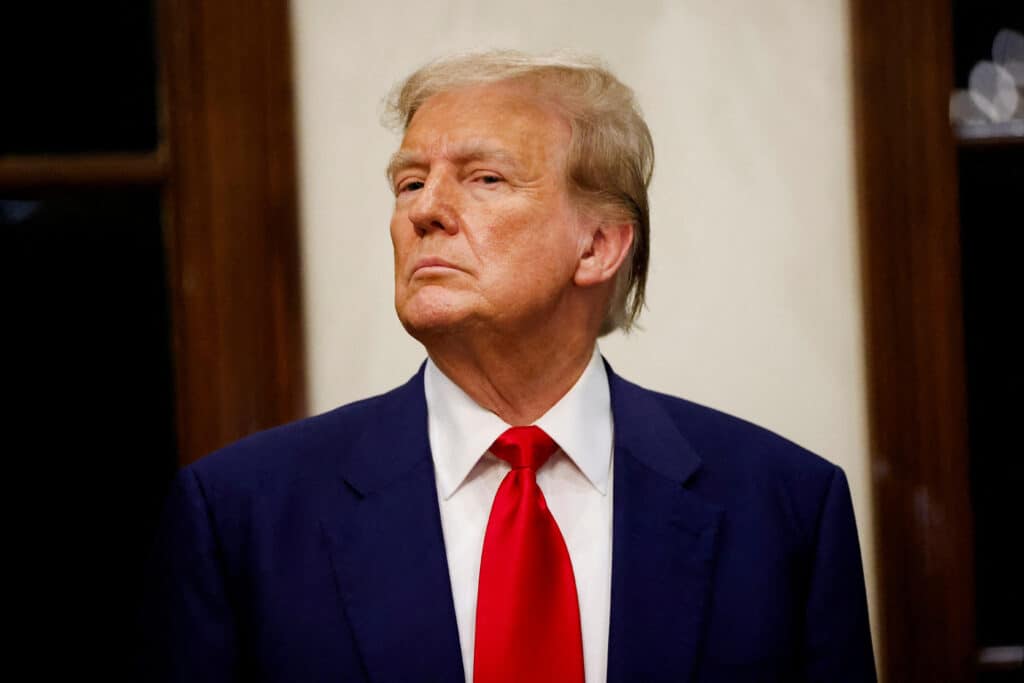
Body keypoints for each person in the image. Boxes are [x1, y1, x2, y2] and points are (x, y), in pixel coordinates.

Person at [140, 50, 876, 682]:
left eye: (484, 179)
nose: (425, 209)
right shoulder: (240, 516)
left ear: (597, 246)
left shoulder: (783, 510)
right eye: (409, 182)